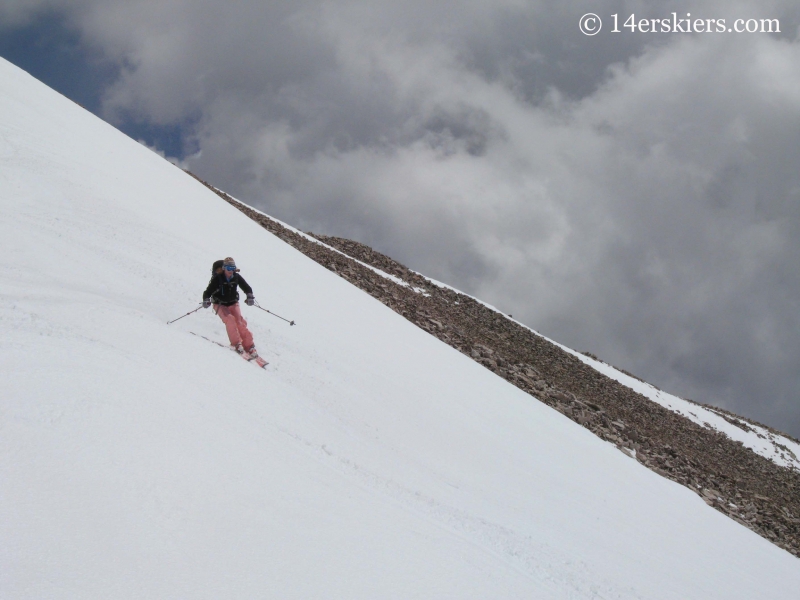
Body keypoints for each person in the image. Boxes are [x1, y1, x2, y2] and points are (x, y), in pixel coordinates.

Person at [203, 257, 259, 356]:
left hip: (233, 303)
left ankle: (249, 346)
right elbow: (207, 292)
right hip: (220, 304)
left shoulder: (236, 277)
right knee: (230, 319)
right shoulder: (218, 278)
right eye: (228, 268)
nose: (230, 271)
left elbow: (246, 287)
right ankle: (236, 344)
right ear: (224, 268)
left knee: (240, 322)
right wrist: (206, 300)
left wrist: (249, 296)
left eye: (232, 268)